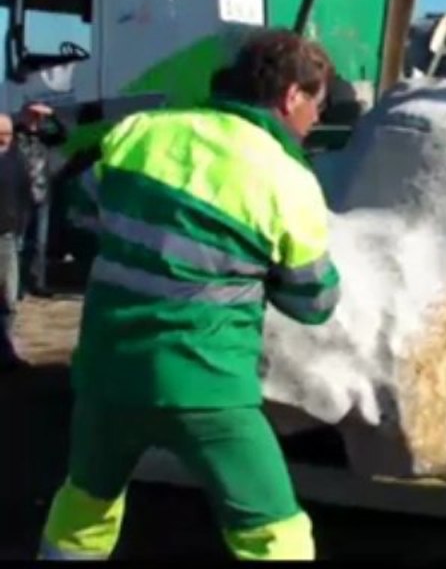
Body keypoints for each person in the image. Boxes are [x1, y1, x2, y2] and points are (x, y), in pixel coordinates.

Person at [38, 30, 342, 561]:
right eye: (318, 104)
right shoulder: (288, 178)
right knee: (274, 532)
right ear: (292, 96)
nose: (317, 118)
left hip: (107, 377)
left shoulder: (138, 133)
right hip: (207, 389)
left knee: (85, 507)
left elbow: (84, 216)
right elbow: (314, 301)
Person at [14, 102, 67, 297]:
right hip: (20, 195)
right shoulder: (16, 135)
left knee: (40, 242)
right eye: (31, 114)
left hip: (41, 193)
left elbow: (63, 135)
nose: (34, 118)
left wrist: (52, 114)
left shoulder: (44, 137)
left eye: (37, 115)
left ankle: (38, 283)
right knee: (19, 242)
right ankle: (17, 285)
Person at [0, 112, 32, 371]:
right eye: (0, 135)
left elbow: (25, 196)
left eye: (7, 134)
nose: (4, 139)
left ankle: (6, 349)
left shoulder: (16, 160)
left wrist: (21, 228)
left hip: (8, 237)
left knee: (8, 297)